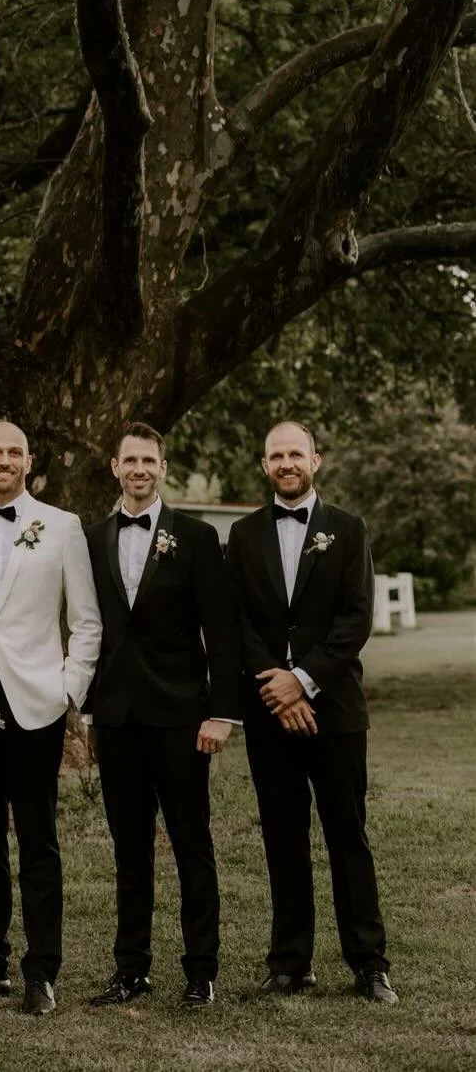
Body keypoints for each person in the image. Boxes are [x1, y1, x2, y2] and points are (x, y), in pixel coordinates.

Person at [225, 420, 397, 1004]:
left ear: (315, 460)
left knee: (348, 834)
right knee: (282, 836)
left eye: (295, 454)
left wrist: (302, 680)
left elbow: (357, 617)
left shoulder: (348, 528)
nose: (286, 463)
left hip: (336, 711)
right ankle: (290, 962)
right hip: (269, 711)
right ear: (264, 464)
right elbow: (236, 620)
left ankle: (369, 963)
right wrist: (276, 685)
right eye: (276, 455)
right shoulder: (243, 534)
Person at [0, 420, 101, 1015]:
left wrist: (67, 689)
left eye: (14, 452)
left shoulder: (62, 526)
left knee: (38, 840)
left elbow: (86, 620)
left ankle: (41, 972)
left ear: (29, 462)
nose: (3, 459)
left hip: (36, 701)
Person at [83, 422, 239, 1009]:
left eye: (149, 461)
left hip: (181, 717)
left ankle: (201, 971)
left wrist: (222, 713)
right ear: (115, 467)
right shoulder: (91, 539)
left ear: (163, 468)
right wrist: (90, 711)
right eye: (130, 460)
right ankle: (131, 970)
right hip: (117, 719)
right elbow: (89, 628)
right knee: (129, 850)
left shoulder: (196, 537)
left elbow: (221, 631)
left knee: (191, 843)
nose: (139, 469)